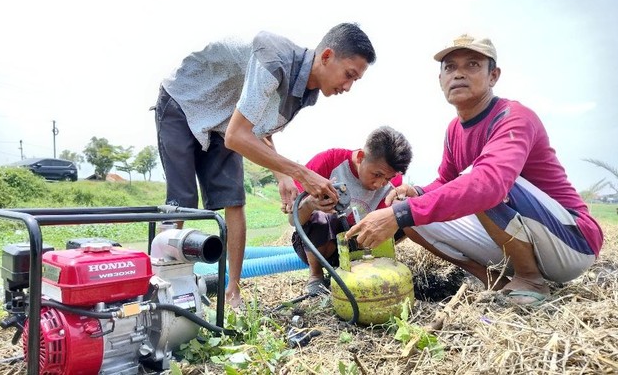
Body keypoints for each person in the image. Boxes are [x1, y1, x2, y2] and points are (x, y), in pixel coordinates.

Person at [346, 34, 604, 305]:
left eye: (472, 65)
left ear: (493, 76)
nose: (458, 74)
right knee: (411, 209)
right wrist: (415, 193)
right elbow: (446, 182)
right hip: (522, 237)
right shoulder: (454, 130)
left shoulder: (513, 117)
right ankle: (495, 279)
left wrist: (397, 215)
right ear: (440, 80)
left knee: (477, 183)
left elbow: (486, 184)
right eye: (450, 67)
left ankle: (531, 280)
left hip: (571, 242)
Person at [155, 23, 376, 308]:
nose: (348, 87)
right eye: (349, 75)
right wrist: (300, 173)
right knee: (182, 200)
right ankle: (161, 288)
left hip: (225, 120)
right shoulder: (274, 59)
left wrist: (282, 174)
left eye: (355, 81)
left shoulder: (305, 91)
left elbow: (256, 123)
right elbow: (238, 136)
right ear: (326, 56)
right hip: (184, 102)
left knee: (234, 200)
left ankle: (232, 292)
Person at [289, 126, 412, 295]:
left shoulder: (394, 182)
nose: (379, 184)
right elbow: (292, 219)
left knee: (405, 212)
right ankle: (316, 276)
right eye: (376, 174)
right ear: (361, 157)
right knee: (321, 216)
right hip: (321, 245)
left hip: (360, 244)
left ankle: (371, 265)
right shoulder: (329, 161)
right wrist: (309, 205)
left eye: (388, 178)